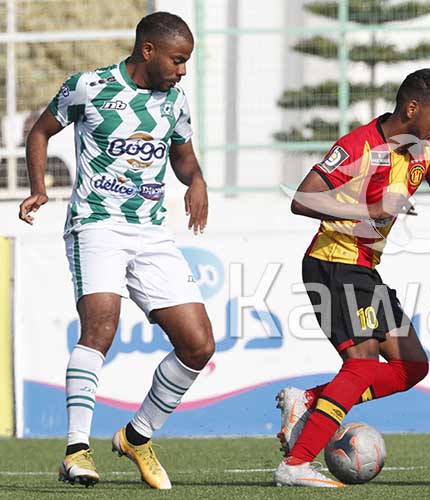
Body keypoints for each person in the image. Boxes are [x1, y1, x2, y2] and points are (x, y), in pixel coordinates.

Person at [273, 68, 430, 487]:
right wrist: (369, 212)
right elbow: (302, 197)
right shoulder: (358, 145)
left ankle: (310, 400)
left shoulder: (427, 153)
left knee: (411, 367)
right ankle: (296, 465)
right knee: (362, 365)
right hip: (334, 262)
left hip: (364, 269)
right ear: (412, 108)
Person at [18, 12, 214, 490]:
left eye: (186, 62)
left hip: (151, 234)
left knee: (198, 344)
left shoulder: (175, 102)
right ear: (148, 51)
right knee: (101, 326)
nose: (182, 70)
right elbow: (39, 132)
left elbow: (184, 160)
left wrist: (198, 182)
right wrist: (40, 188)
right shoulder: (89, 86)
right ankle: (75, 451)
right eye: (177, 60)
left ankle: (137, 434)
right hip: (97, 224)